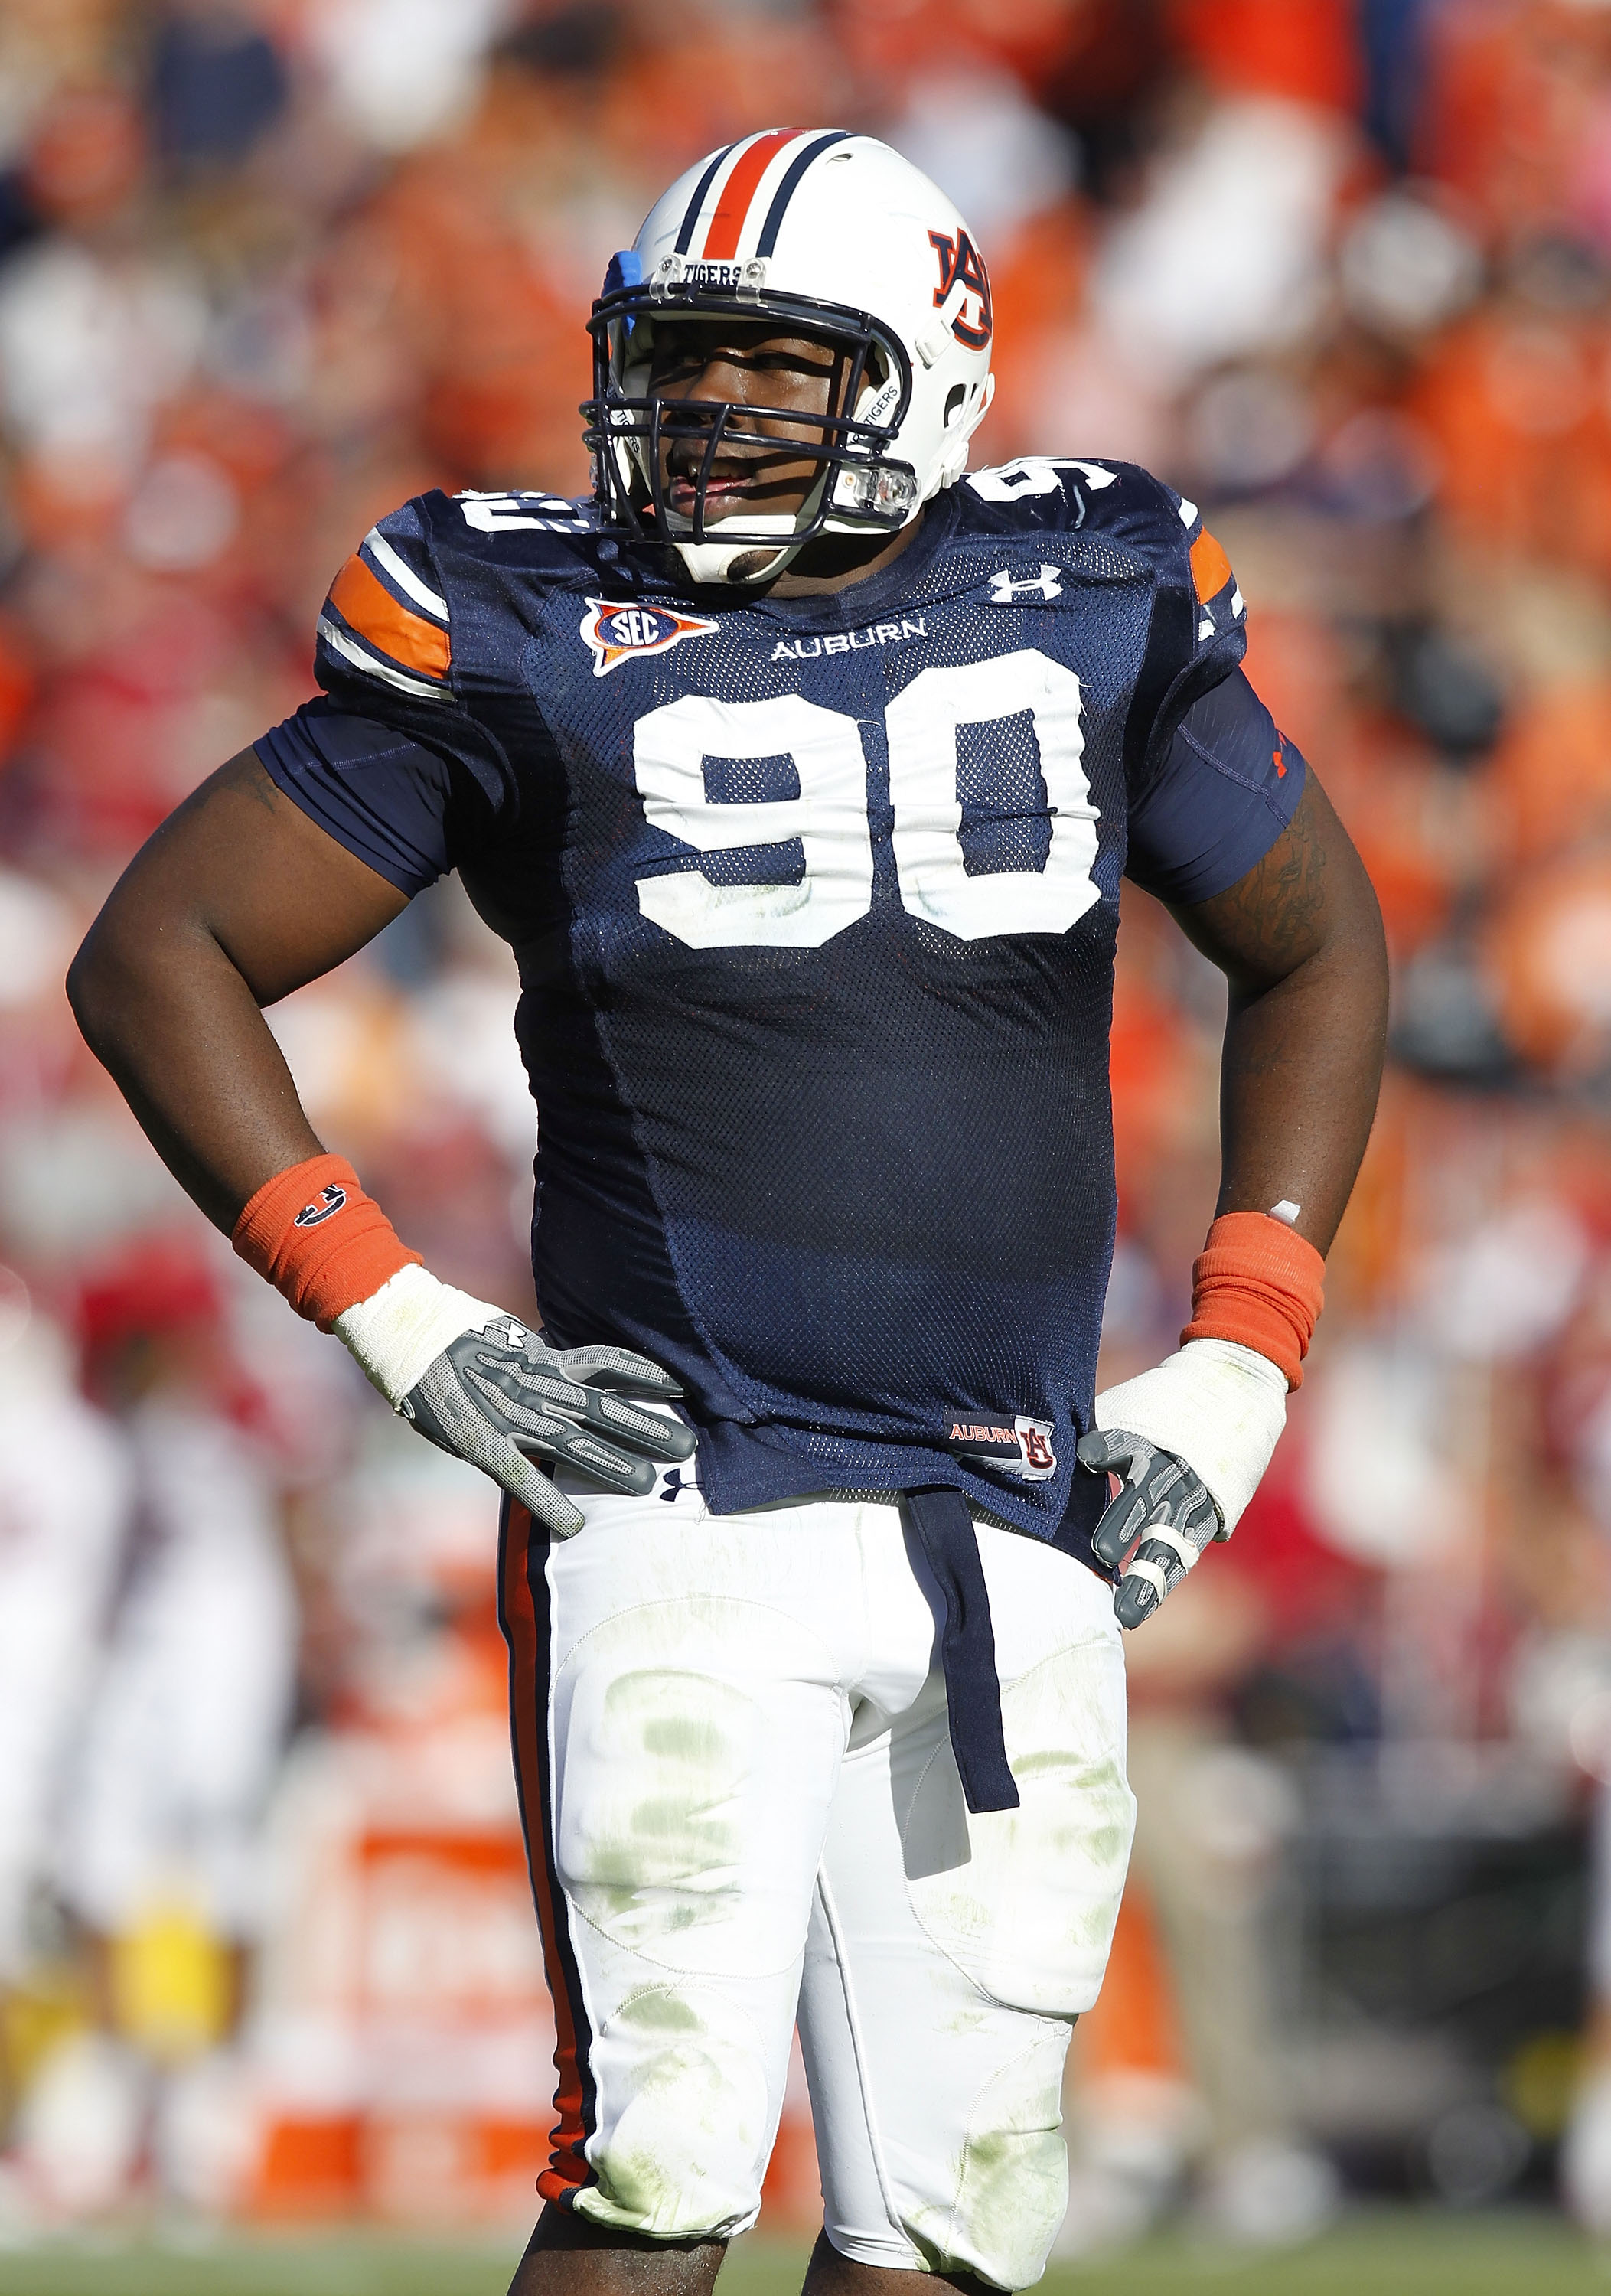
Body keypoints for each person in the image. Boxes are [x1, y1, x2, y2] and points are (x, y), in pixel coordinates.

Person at [68, 131, 1388, 2294]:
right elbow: (163, 950)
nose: (706, 421)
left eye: (777, 369)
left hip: (1011, 1505)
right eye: (679, 369)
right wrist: (400, 1319)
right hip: (682, 1497)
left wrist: (1242, 1353)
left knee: (961, 2223)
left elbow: (1320, 945)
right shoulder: (517, 616)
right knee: (661, 2174)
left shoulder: (1097, 582)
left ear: (932, 378)